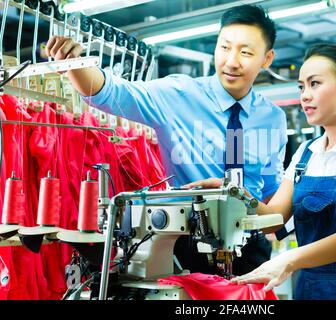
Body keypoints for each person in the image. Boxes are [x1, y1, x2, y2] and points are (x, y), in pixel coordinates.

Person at [45, 4, 287, 276]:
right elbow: (112, 93)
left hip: (250, 248)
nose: (231, 61)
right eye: (224, 47)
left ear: (266, 59)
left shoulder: (273, 118)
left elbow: (272, 193)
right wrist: (77, 65)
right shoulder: (177, 94)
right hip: (189, 243)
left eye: (245, 52)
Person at [186, 44, 336, 300]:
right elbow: (274, 219)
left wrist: (290, 258)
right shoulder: (306, 153)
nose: (305, 96)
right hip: (307, 289)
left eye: (315, 84)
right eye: (302, 87)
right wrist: (236, 193)